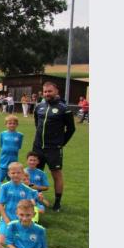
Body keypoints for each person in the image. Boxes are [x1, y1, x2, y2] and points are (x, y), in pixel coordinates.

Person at [32, 82, 76, 211]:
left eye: (49, 91)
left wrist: (61, 143)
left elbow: (71, 129)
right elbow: (37, 124)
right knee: (35, 174)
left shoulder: (64, 108)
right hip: (38, 147)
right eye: (45, 92)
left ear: (56, 91)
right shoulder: (39, 106)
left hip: (54, 149)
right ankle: (35, 199)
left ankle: (57, 202)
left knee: (56, 174)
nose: (47, 94)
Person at [0, 115, 23, 181]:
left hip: (13, 160)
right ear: (6, 124)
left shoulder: (20, 135)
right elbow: (1, 145)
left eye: (14, 123)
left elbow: (19, 147)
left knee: (12, 180)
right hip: (3, 161)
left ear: (17, 124)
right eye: (10, 123)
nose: (12, 125)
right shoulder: (2, 134)